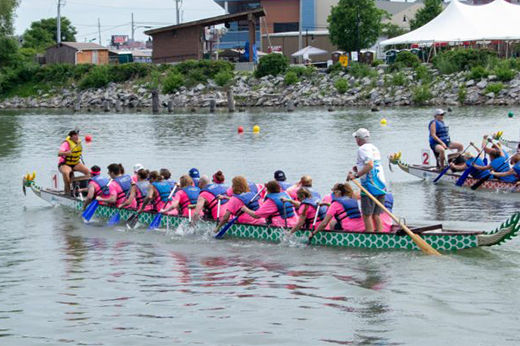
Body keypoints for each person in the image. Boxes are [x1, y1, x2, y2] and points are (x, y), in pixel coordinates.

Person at [347, 128, 386, 232]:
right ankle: (380, 235)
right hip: (381, 186)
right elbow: (372, 164)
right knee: (376, 215)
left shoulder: (362, 149)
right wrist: (359, 168)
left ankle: (370, 236)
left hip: (369, 186)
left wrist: (355, 175)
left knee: (367, 215)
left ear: (358, 139)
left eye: (356, 138)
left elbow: (369, 165)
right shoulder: (374, 148)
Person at [58, 129, 90, 195]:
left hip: (76, 163)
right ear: (71, 137)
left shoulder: (78, 142)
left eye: (77, 135)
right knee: (66, 173)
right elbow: (59, 153)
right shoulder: (66, 143)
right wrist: (66, 153)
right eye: (75, 135)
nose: (77, 137)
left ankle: (85, 190)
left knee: (89, 173)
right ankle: (68, 192)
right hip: (65, 164)